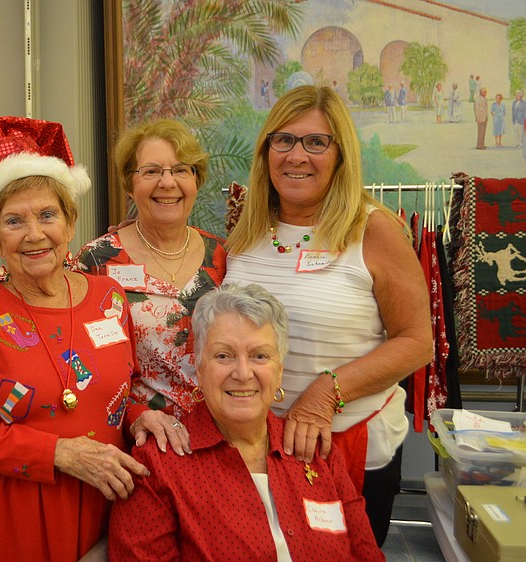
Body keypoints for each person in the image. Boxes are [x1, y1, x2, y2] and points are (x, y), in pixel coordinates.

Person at [0, 116, 167, 562]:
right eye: (14, 221)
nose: (35, 234)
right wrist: (61, 453)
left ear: (70, 222)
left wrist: (138, 417)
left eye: (47, 215)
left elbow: (115, 389)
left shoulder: (108, 297)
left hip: (103, 499)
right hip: (12, 511)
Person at [223, 85, 433, 547]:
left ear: (340, 155)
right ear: (266, 151)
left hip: (349, 447)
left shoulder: (373, 229)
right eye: (284, 140)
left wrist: (326, 391)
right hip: (259, 448)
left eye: (316, 142)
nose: (297, 155)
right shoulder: (249, 227)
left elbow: (417, 342)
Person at [108, 284, 384, 561]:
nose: (242, 373)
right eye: (223, 356)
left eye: (259, 356)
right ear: (199, 370)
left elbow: (367, 555)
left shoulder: (318, 455)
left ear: (279, 372)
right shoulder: (158, 466)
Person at [76, 119, 226, 423]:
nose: (168, 183)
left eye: (181, 170)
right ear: (130, 185)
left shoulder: (224, 257)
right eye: (152, 171)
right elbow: (78, 363)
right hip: (140, 438)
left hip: (220, 435)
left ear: (197, 181)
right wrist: (134, 415)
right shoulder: (95, 262)